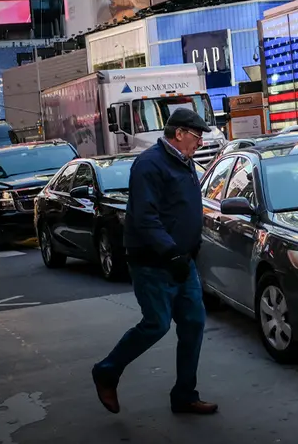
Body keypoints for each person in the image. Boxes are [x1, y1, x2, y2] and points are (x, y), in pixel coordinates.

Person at [92, 108, 217, 416]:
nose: (200, 143)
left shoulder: (184, 163)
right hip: (154, 262)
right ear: (179, 134)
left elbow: (183, 208)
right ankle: (107, 371)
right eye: (197, 137)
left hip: (181, 260)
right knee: (156, 324)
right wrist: (169, 251)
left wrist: (191, 245)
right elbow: (144, 217)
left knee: (194, 323)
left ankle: (185, 395)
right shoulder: (149, 165)